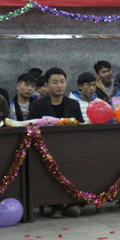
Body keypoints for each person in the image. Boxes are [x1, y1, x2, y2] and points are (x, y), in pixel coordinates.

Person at [29, 68, 84, 218]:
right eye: (55, 82)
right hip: (46, 150)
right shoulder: (37, 105)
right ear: (47, 85)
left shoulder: (73, 104)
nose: (59, 85)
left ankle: (74, 203)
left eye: (62, 81)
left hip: (71, 149)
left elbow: (80, 126)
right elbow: (31, 128)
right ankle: (56, 206)